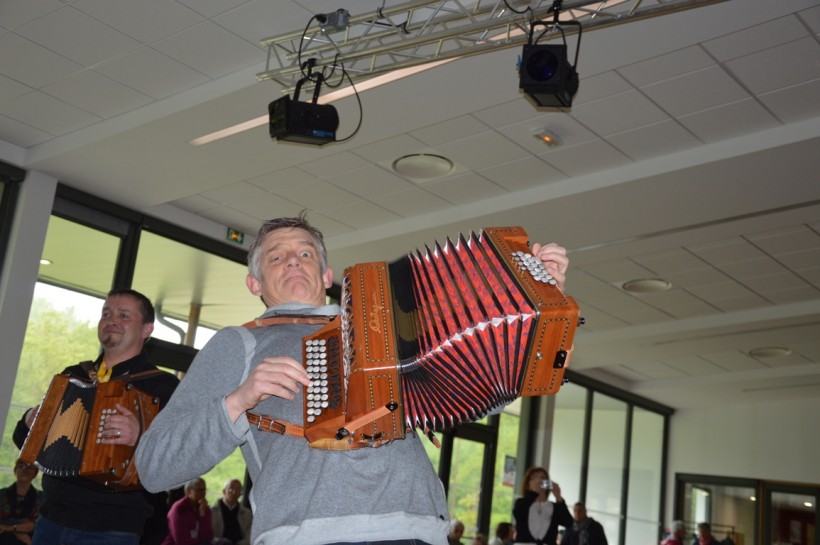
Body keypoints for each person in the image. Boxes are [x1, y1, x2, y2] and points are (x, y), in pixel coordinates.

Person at [135, 212, 571, 545]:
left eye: (305, 253)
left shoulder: (384, 324)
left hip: (417, 526)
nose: (293, 261)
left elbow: (484, 390)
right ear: (254, 283)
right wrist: (237, 400)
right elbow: (155, 467)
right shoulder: (239, 344)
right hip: (309, 534)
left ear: (326, 275)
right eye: (276, 256)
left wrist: (539, 297)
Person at [12, 288, 180, 545]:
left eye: (124, 315)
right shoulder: (73, 376)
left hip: (111, 528)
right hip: (50, 519)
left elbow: (179, 455)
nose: (112, 320)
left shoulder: (163, 386)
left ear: (147, 329)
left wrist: (141, 436)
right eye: (106, 313)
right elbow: (24, 441)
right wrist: (28, 420)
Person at [512, 467, 572, 545]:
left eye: (543, 478)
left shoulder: (554, 506)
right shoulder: (522, 502)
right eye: (534, 478)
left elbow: (568, 522)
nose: (539, 481)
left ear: (547, 484)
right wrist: (534, 493)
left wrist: (558, 497)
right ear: (528, 485)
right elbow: (518, 513)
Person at [0, 459, 43, 545]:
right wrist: (16, 531)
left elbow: (37, 524)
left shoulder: (42, 498)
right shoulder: (2, 494)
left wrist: (10, 528)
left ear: (35, 473)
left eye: (29, 467)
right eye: (21, 466)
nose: (25, 469)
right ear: (15, 470)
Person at [162, 478, 213, 545]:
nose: (203, 493)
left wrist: (203, 515)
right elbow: (181, 540)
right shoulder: (179, 509)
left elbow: (207, 537)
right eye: (199, 490)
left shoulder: (204, 507)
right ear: (188, 491)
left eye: (204, 490)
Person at [210, 479, 252, 545]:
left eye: (238, 489)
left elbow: (249, 536)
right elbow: (207, 535)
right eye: (230, 488)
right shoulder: (212, 511)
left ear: (241, 493)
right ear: (224, 491)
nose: (234, 492)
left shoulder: (247, 514)